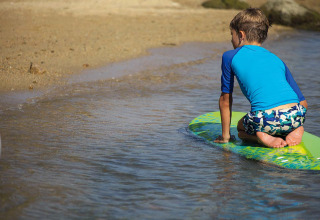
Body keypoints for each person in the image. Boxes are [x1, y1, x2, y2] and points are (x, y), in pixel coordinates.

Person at [214, 8, 307, 148]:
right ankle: (295, 129)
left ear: (241, 35)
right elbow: (303, 102)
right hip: (296, 115)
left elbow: (225, 100)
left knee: (240, 128)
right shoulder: (277, 59)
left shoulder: (230, 56)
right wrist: (296, 121)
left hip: (264, 120)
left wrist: (225, 136)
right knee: (282, 120)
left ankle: (263, 137)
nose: (230, 39)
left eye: (231, 34)